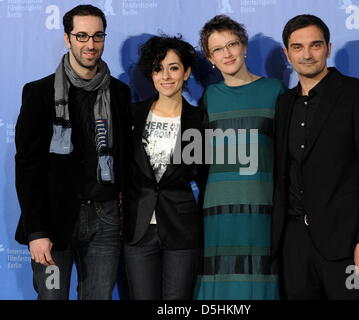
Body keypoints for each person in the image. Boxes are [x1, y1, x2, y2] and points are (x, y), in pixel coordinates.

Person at [14, 5, 131, 300]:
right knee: (52, 296)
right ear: (67, 39)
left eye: (97, 36)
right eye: (82, 36)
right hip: (53, 221)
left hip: (105, 220)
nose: (90, 45)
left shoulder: (119, 93)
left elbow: (125, 159)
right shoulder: (39, 92)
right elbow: (28, 168)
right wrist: (36, 231)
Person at [273, 14, 359, 299]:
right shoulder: (284, 102)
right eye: (297, 47)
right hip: (294, 243)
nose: (307, 54)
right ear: (287, 54)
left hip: (347, 243)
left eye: (315, 45)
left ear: (328, 47)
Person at [194, 15, 285, 300]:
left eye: (232, 44)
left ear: (244, 47)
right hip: (217, 210)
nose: (227, 53)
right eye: (218, 49)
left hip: (262, 207)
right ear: (210, 57)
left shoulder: (274, 91)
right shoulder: (209, 96)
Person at [123, 35, 207, 300]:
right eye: (158, 69)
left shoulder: (199, 120)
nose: (166, 76)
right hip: (138, 226)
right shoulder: (132, 114)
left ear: (187, 72)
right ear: (151, 73)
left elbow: (205, 176)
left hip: (181, 228)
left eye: (173, 67)